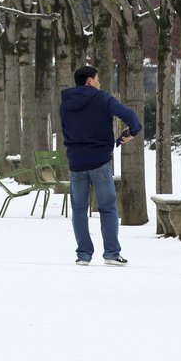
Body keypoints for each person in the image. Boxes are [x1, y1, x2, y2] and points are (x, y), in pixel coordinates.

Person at [60, 65, 142, 267]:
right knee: (107, 207)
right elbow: (130, 116)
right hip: (100, 161)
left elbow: (64, 128)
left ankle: (83, 255)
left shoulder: (66, 102)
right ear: (89, 81)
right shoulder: (103, 98)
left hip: (76, 162)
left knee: (79, 209)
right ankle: (112, 253)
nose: (99, 83)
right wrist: (132, 132)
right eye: (97, 79)